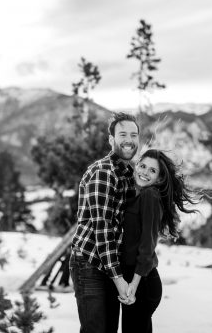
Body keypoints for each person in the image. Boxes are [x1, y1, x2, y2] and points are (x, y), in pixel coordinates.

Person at [70, 112, 140, 333]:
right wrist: (119, 279)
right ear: (111, 140)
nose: (129, 139)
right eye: (122, 134)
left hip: (110, 264)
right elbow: (103, 228)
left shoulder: (128, 173)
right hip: (89, 262)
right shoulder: (104, 172)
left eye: (134, 134)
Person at [119, 149, 202, 333]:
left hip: (141, 283)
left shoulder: (150, 196)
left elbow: (147, 245)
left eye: (152, 171)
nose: (144, 172)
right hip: (137, 281)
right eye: (142, 166)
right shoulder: (139, 196)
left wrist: (133, 284)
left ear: (159, 178)